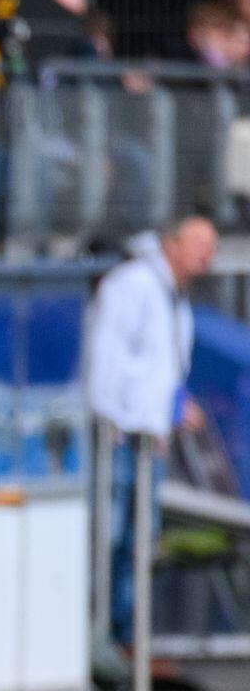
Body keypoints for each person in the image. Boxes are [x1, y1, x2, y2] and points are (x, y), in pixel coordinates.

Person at [84, 214, 218, 647]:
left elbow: (158, 369)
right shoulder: (134, 284)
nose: (208, 255)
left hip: (148, 441)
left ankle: (124, 640)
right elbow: (105, 360)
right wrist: (111, 420)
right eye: (199, 244)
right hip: (120, 439)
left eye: (211, 247)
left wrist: (172, 410)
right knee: (108, 539)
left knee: (139, 543)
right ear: (171, 243)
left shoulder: (173, 295)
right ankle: (95, 638)